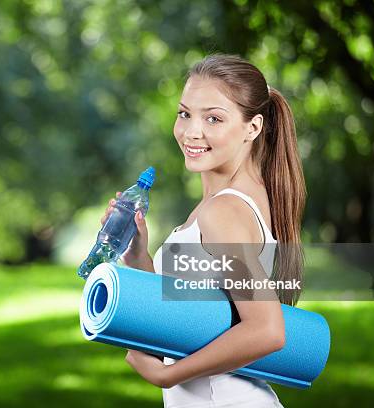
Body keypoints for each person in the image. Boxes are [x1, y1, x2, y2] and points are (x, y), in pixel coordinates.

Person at [100, 53, 306, 407]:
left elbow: (267, 330)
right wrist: (139, 258)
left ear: (253, 128)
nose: (191, 131)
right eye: (184, 114)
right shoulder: (238, 200)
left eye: (213, 118)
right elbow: (194, 311)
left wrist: (167, 374)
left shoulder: (223, 210)